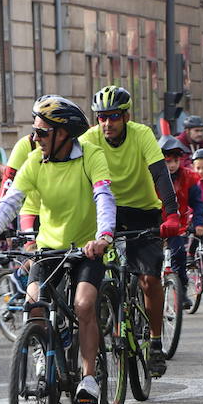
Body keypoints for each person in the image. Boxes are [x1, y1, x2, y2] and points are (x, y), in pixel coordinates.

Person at [0, 96, 115, 404]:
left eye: (42, 132)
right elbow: (10, 202)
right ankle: (41, 350)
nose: (35, 138)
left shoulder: (91, 155)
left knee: (83, 305)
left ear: (63, 133)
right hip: (48, 248)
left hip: (86, 249)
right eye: (34, 131)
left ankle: (89, 378)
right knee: (33, 304)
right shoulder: (35, 161)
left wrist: (103, 236)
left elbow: (104, 196)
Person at [80, 85, 182, 376]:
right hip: (105, 213)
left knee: (149, 279)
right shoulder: (89, 139)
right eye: (101, 118)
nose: (107, 124)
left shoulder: (142, 135)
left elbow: (160, 173)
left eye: (113, 117)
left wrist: (172, 214)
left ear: (125, 116)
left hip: (142, 211)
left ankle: (155, 341)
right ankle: (96, 353)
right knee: (94, 283)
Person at [160, 136, 203, 309]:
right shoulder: (150, 176)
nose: (172, 165)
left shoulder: (188, 177)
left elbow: (198, 204)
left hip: (177, 226)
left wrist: (199, 223)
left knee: (179, 256)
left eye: (175, 161)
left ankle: (182, 291)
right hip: (155, 224)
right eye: (167, 161)